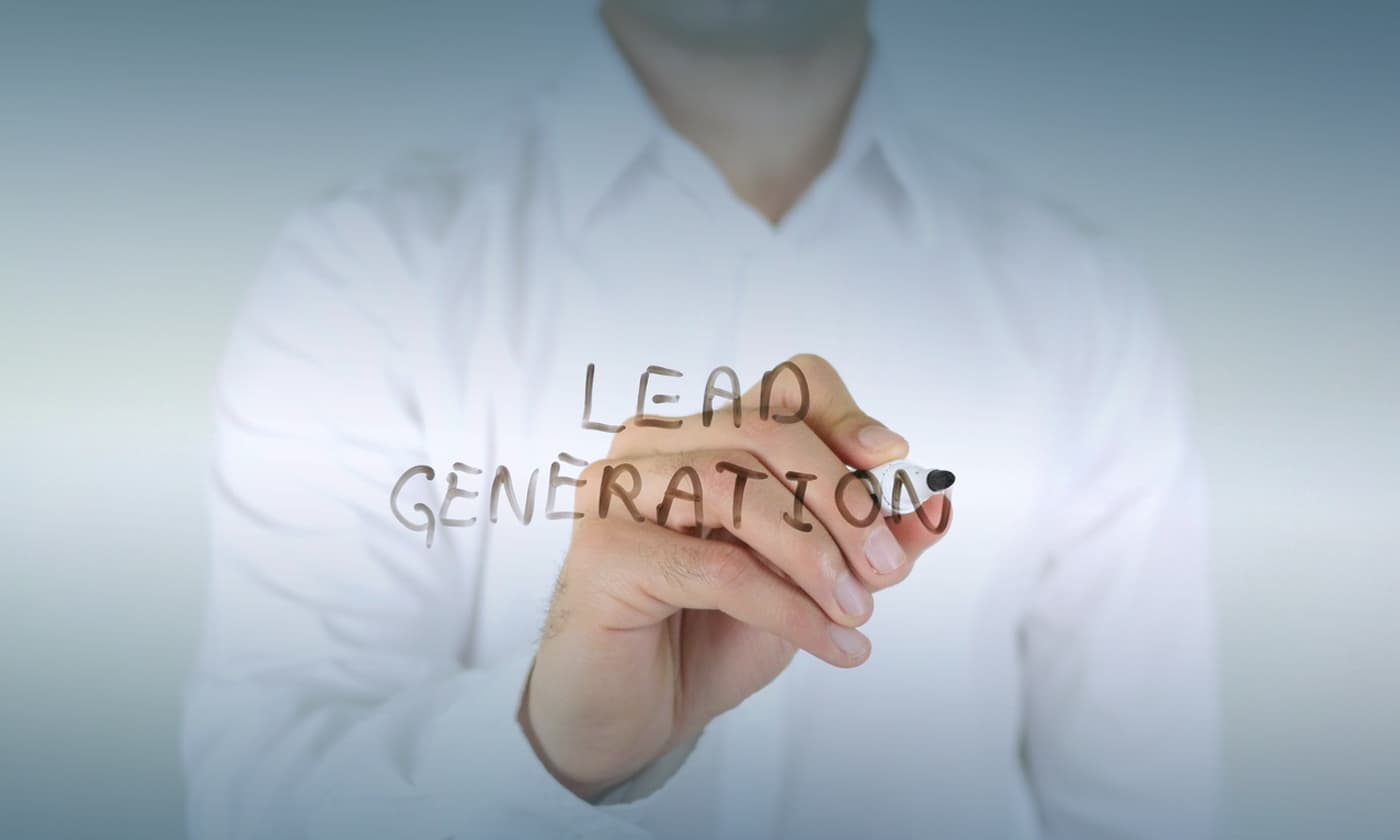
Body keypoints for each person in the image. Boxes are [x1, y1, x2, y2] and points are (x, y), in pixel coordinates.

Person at [183, 1, 1220, 837]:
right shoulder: (364, 273)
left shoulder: (1080, 302)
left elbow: (1143, 810)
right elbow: (262, 803)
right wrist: (554, 746)